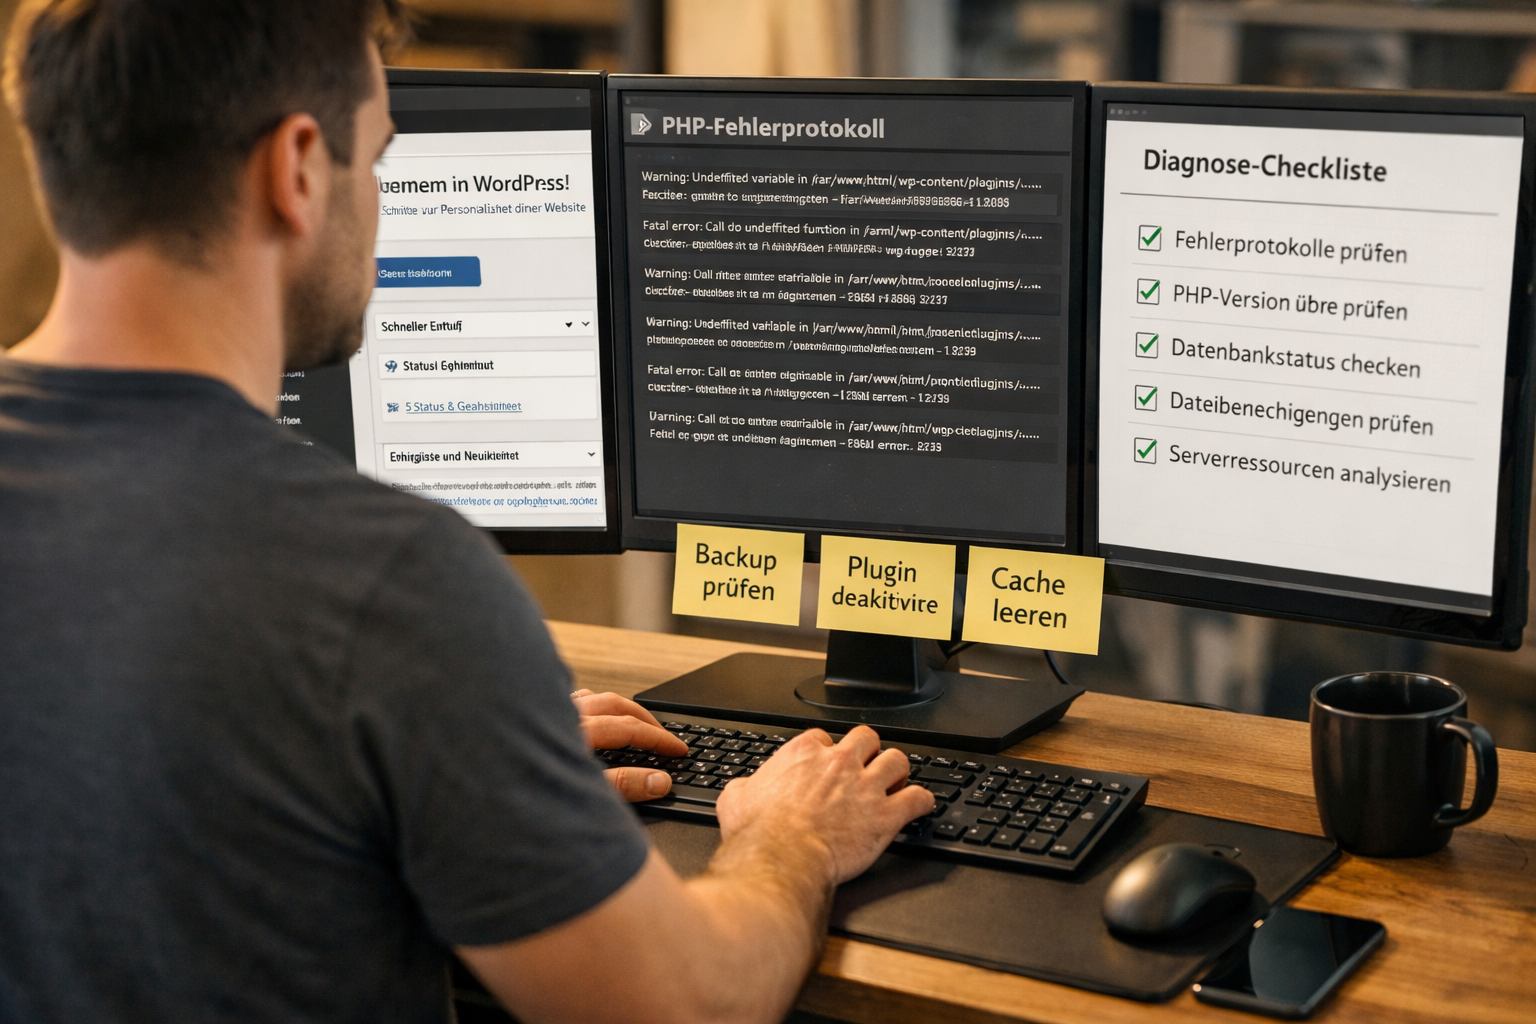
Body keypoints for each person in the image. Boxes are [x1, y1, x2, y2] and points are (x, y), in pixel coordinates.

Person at [0, 2, 933, 1022]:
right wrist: (789, 837)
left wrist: (466, 752)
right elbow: (686, 1004)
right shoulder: (385, 583)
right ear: (299, 168)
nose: (380, 200)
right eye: (381, 158)